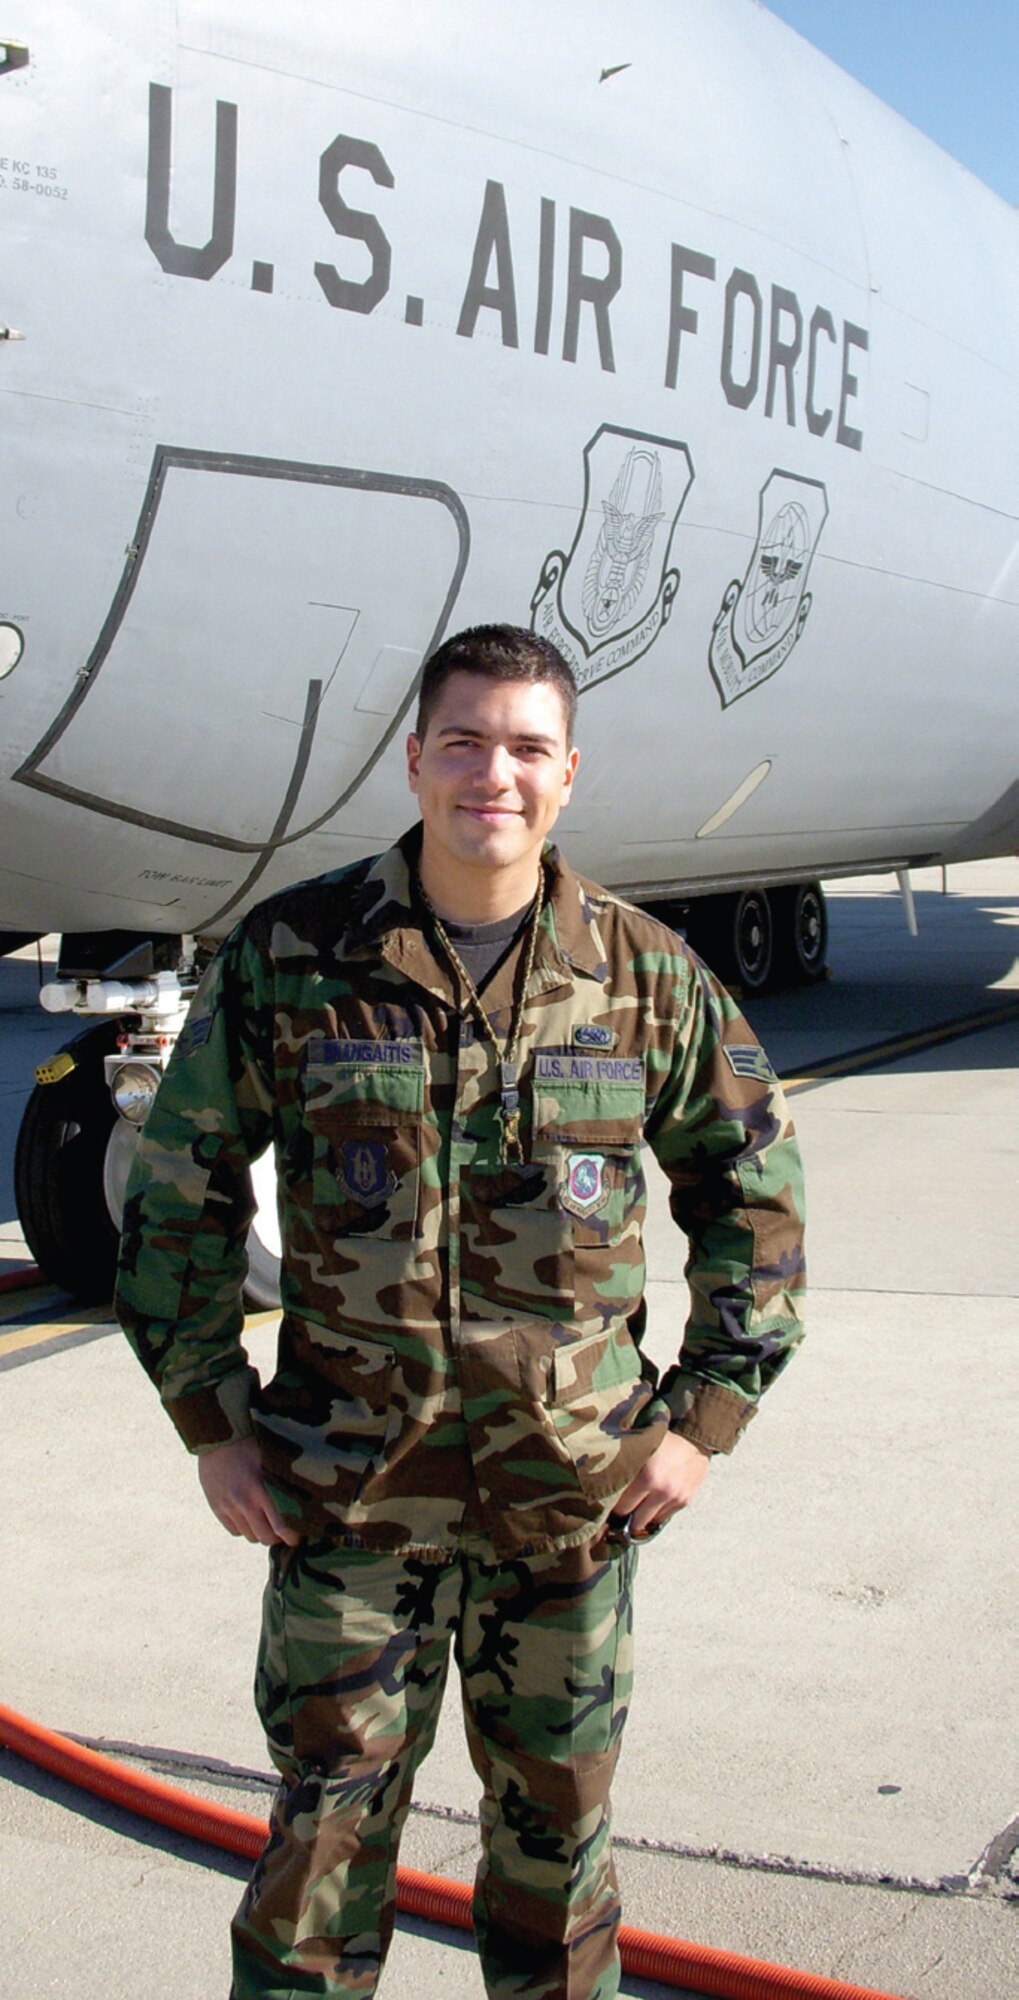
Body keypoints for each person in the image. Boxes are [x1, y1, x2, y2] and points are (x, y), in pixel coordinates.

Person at [116, 622, 806, 2000]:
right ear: (417, 757)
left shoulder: (645, 974)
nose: (495, 772)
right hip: (345, 1503)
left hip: (568, 1500)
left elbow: (756, 1204)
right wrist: (210, 1422)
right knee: (319, 1856)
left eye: (528, 747)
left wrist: (702, 1423)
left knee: (557, 1868)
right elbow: (179, 1191)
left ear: (568, 775)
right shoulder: (294, 957)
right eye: (466, 741)